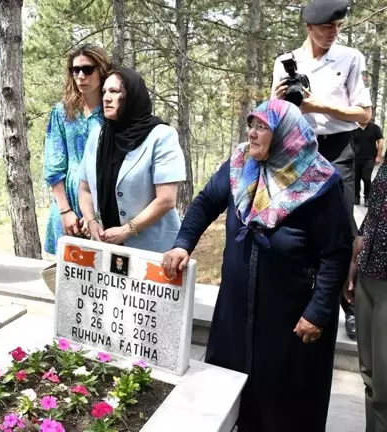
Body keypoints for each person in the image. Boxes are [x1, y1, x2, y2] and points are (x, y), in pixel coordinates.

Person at [162, 100, 352, 432]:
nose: (251, 133)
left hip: (290, 319)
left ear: (285, 135)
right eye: (251, 124)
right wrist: (183, 243)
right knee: (230, 395)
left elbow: (336, 252)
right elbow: (206, 201)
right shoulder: (240, 164)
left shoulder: (319, 181)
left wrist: (318, 311)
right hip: (236, 311)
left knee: (283, 407)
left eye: (262, 127)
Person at [271, 0, 372, 339]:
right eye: (327, 26)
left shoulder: (351, 58)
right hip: (296, 150)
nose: (334, 32)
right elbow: (276, 112)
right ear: (309, 27)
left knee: (343, 226)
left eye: (338, 26)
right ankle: (297, 297)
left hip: (337, 148)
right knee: (292, 222)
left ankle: (352, 307)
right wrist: (277, 100)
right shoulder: (286, 63)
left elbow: (363, 115)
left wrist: (316, 105)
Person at [78, 67, 186, 253]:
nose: (106, 97)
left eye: (114, 91)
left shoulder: (161, 136)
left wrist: (127, 231)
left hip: (152, 249)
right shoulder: (98, 135)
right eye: (104, 91)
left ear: (132, 95)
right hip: (105, 246)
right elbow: (85, 188)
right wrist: (91, 221)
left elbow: (166, 200)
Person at [43, 44, 111, 255]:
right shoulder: (62, 112)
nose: (81, 75)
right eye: (75, 70)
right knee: (63, 274)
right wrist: (65, 210)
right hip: (67, 200)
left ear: (101, 70)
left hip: (104, 198)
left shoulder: (112, 111)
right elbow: (54, 165)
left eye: (88, 69)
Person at [346, 159, 387, 432]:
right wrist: (354, 258)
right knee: (370, 376)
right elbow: (374, 212)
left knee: (385, 386)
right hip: (367, 273)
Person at [354, 120, 384, 206]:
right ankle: (356, 197)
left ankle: (367, 197)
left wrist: (378, 156)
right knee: (356, 178)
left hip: (370, 158)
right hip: (355, 158)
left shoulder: (375, 128)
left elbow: (380, 141)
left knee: (366, 177)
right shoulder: (354, 127)